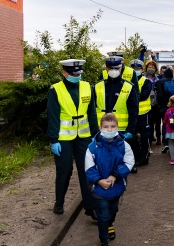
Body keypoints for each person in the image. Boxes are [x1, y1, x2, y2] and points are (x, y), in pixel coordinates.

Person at [47, 59, 99, 220]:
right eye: (73, 74)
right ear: (64, 73)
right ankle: (59, 202)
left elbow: (92, 113)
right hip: (63, 138)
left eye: (79, 74)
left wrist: (95, 136)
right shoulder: (56, 90)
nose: (77, 76)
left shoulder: (87, 87)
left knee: (87, 171)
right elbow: (53, 116)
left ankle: (90, 207)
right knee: (65, 171)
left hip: (84, 137)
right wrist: (53, 139)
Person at [85, 113, 134, 246]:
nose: (109, 129)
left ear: (117, 127)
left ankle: (110, 224)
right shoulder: (92, 148)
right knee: (103, 214)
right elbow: (89, 168)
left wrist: (115, 176)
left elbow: (129, 163)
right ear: (100, 128)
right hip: (99, 188)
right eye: (106, 127)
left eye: (113, 126)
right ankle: (104, 240)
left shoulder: (124, 146)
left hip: (116, 186)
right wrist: (99, 181)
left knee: (113, 210)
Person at [94, 56, 139, 173]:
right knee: (102, 157)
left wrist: (131, 129)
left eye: (117, 68)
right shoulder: (98, 86)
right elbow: (92, 109)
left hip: (121, 130)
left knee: (119, 157)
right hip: (102, 129)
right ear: (106, 69)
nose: (114, 71)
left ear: (121, 69)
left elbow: (134, 110)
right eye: (110, 68)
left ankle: (118, 180)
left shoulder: (128, 87)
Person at [131, 59, 153, 166]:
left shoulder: (146, 81)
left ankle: (144, 158)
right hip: (132, 114)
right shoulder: (127, 81)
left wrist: (131, 96)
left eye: (138, 69)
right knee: (133, 137)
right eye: (134, 69)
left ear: (141, 69)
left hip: (144, 113)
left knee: (145, 136)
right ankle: (135, 157)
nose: (136, 71)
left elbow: (144, 95)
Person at [154, 68, 174, 153]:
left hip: (163, 108)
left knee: (164, 124)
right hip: (173, 107)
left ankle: (166, 143)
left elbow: (159, 95)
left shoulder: (159, 82)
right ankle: (172, 143)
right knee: (172, 124)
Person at [143, 60, 161, 145]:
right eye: (149, 66)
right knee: (149, 123)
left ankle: (158, 138)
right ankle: (149, 139)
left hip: (156, 103)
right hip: (146, 104)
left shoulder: (158, 78)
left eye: (153, 67)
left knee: (158, 122)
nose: (151, 68)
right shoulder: (143, 78)